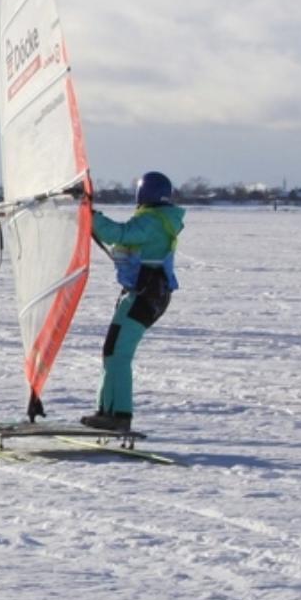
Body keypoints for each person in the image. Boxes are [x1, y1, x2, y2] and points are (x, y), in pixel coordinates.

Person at [81, 172, 184, 431]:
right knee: (111, 351)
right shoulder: (159, 219)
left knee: (119, 353)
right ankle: (107, 411)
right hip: (143, 294)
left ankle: (119, 415)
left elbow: (119, 234)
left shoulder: (152, 221)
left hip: (145, 295)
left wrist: (90, 216)